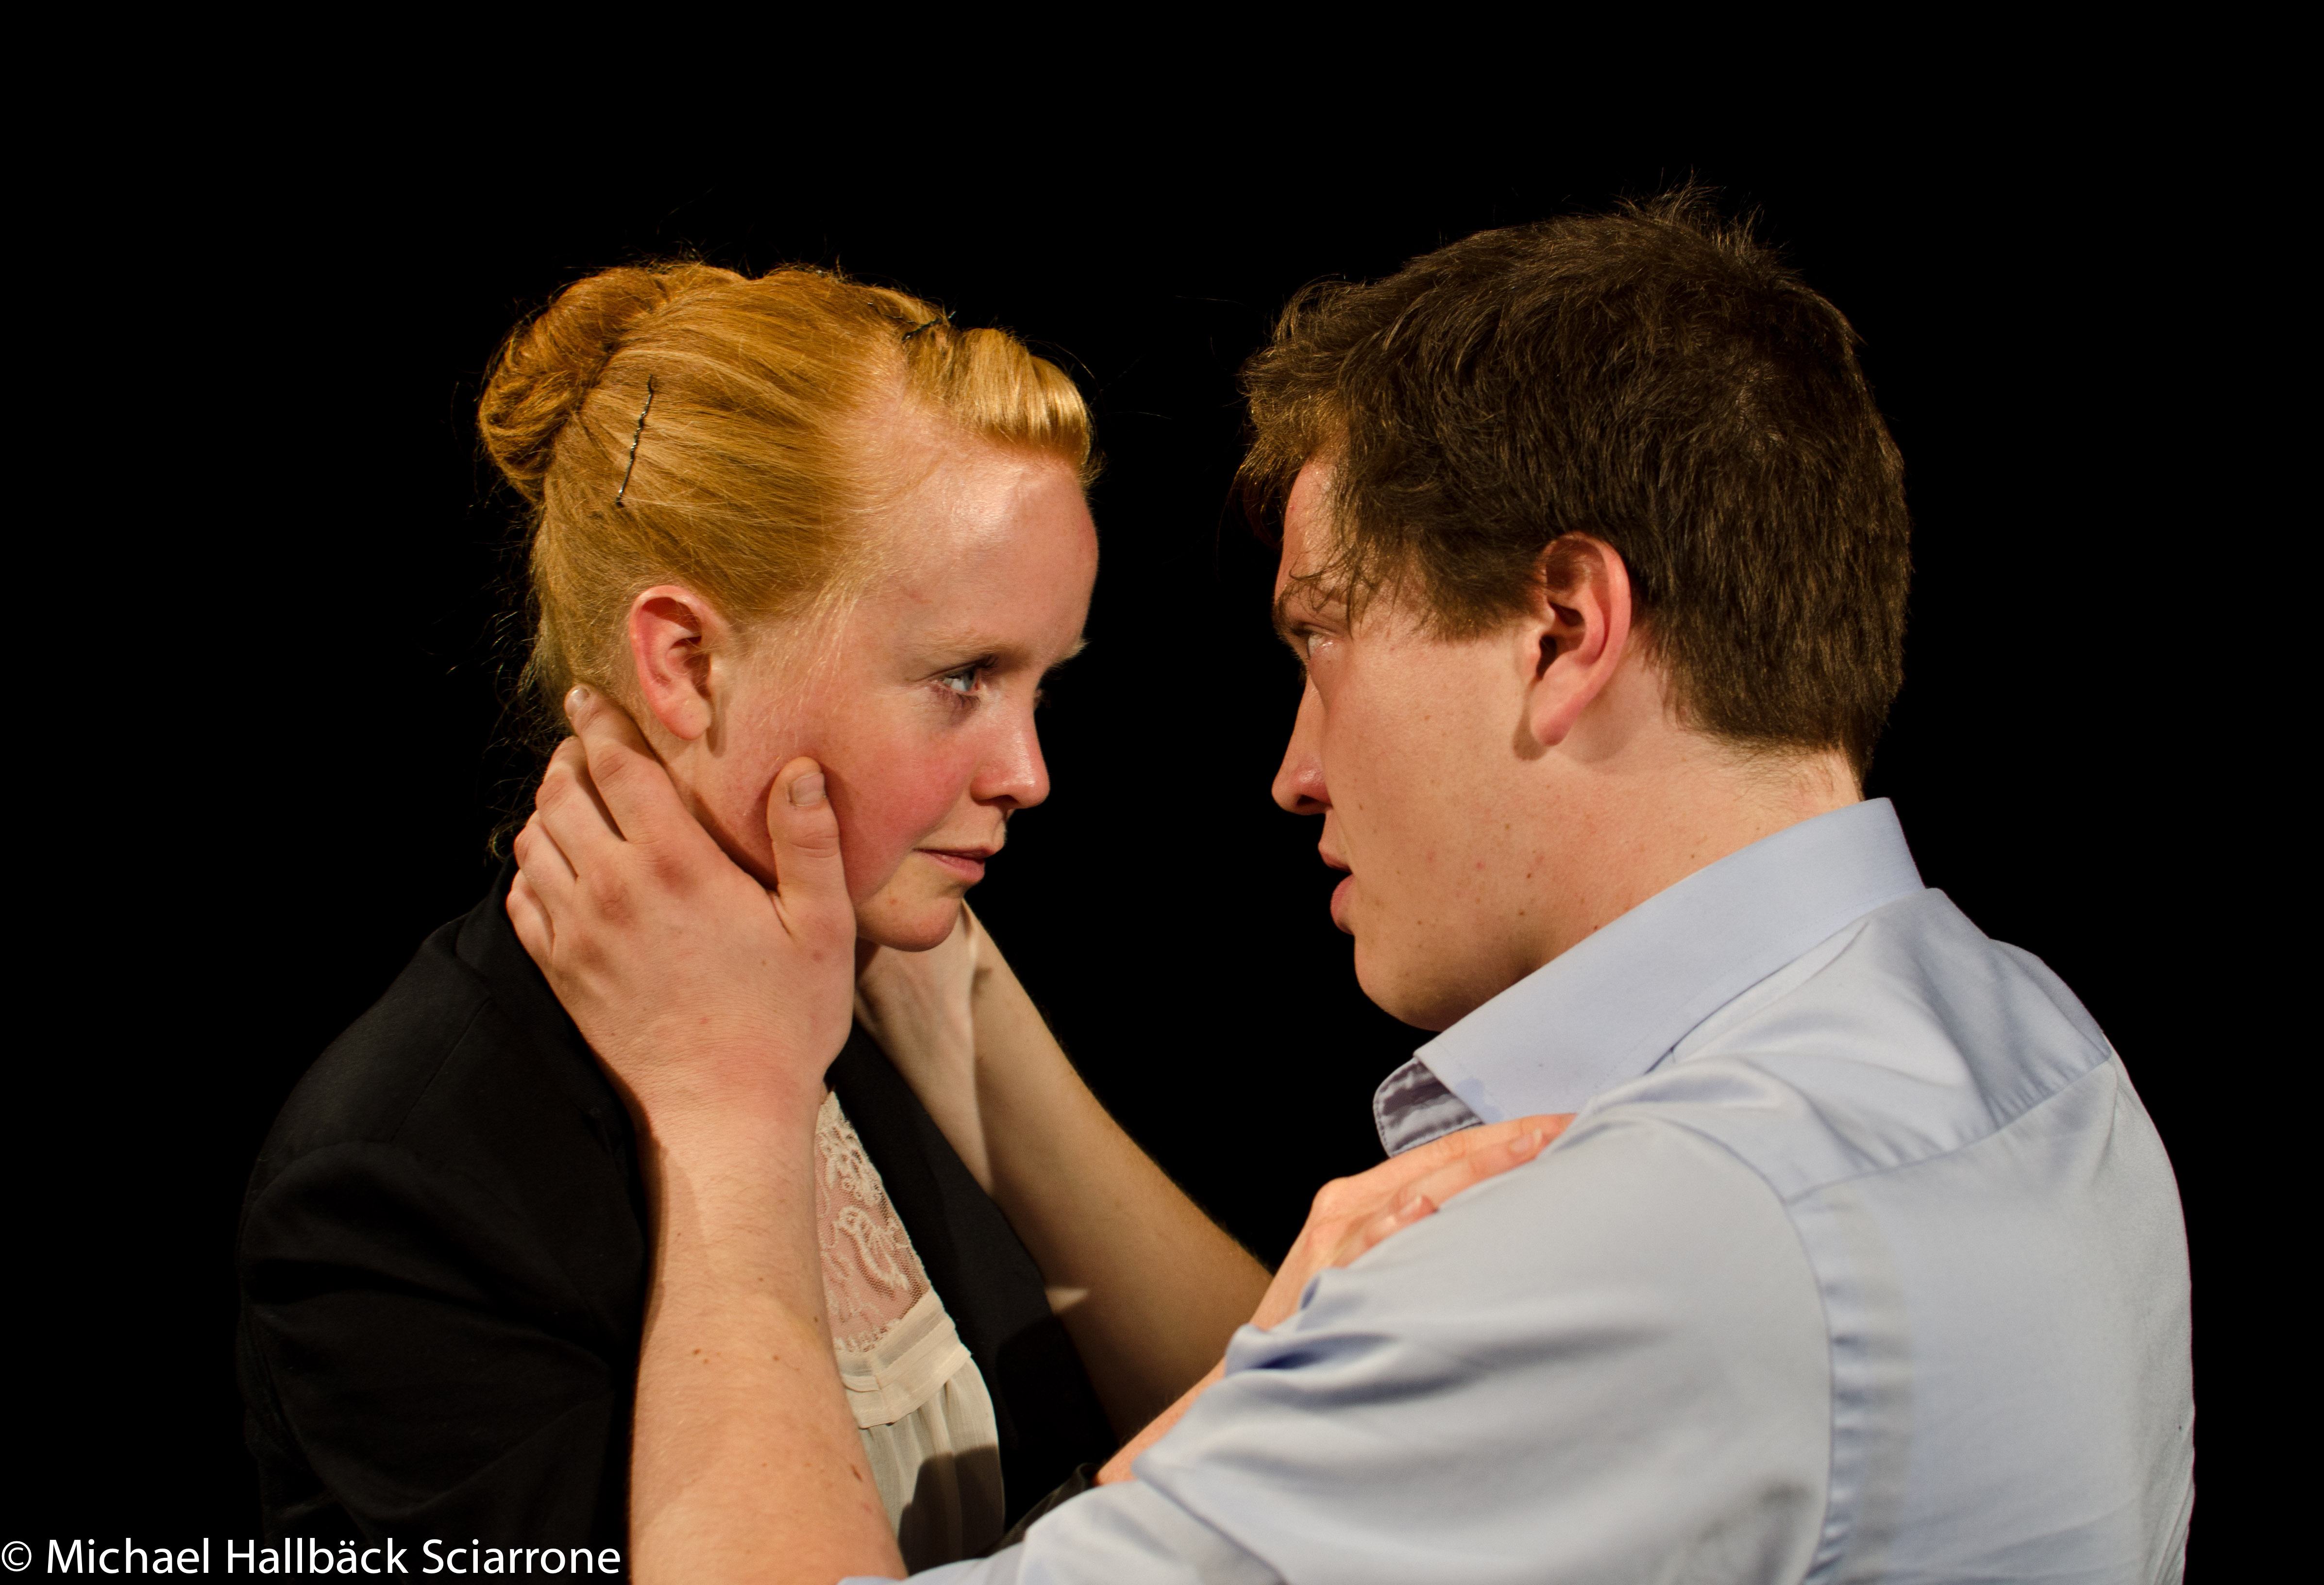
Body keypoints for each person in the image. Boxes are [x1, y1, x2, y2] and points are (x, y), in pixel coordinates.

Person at [513, 194, 2196, 1583]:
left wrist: (726, 1116)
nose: (1296, 766)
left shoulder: (1659, 1249)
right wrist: (929, 959)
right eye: (962, 676)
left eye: (1321, 639)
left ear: (1564, 631)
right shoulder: (2025, 1042)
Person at [234, 261, 1293, 1565]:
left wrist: (952, 1002)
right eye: (963, 677)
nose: (1028, 774)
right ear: (687, 662)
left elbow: (1308, 1480)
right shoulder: (407, 1170)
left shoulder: (888, 975)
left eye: (1039, 687)